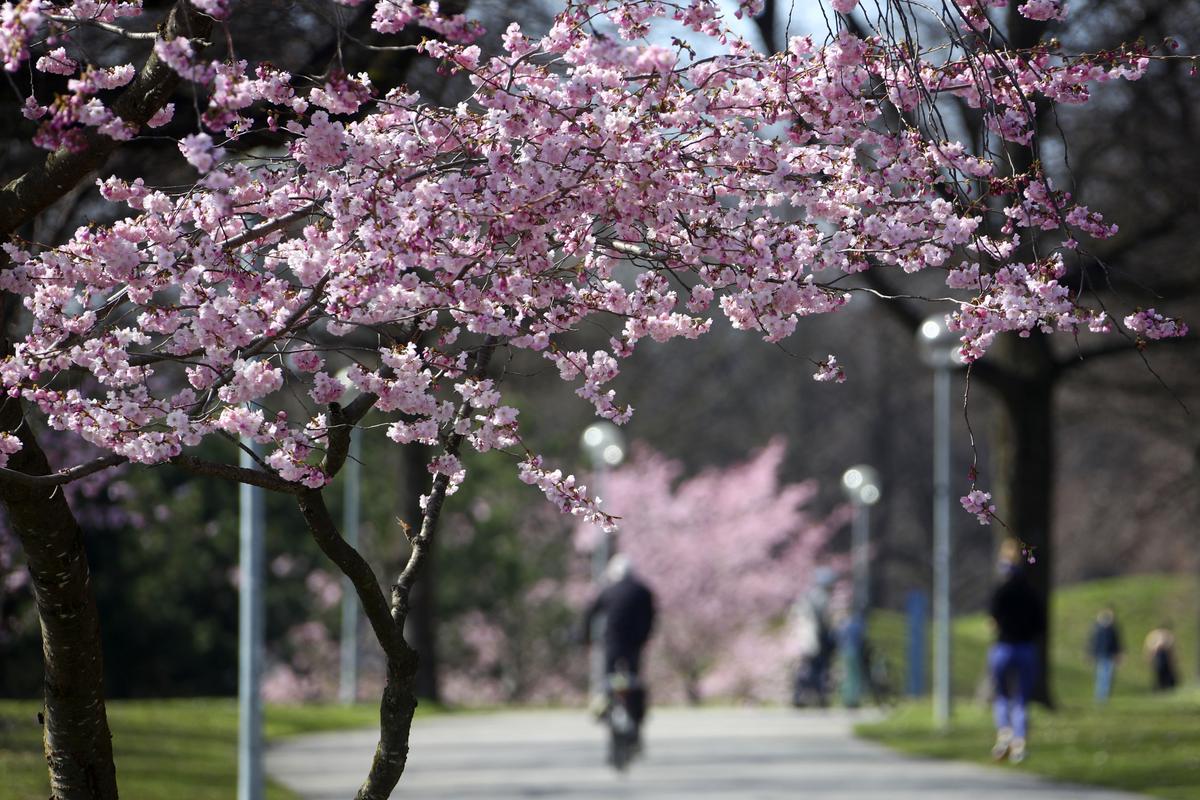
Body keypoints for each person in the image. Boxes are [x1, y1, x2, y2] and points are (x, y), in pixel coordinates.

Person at [987, 539, 1046, 764]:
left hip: (1003, 648)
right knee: (1021, 700)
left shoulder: (1000, 590)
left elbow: (993, 619)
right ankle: (1019, 742)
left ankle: (1004, 732)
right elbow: (1041, 624)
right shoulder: (1032, 592)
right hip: (1026, 648)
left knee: (1002, 695)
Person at [583, 555, 656, 725]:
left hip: (612, 642)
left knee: (606, 678)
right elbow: (652, 617)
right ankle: (638, 714)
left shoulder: (608, 591)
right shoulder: (643, 591)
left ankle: (602, 708)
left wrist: (585, 638)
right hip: (635, 644)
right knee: (634, 679)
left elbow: (589, 614)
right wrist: (645, 636)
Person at [789, 567, 837, 708]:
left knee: (806, 667)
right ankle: (819, 696)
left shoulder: (808, 596)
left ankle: (800, 696)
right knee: (818, 668)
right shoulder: (822, 597)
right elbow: (824, 621)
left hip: (806, 638)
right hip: (816, 638)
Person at [1088, 607, 1122, 704]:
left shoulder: (1113, 629)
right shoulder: (1098, 629)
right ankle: (1100, 697)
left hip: (1110, 656)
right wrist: (1091, 654)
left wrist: (1118, 654)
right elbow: (1093, 643)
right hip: (1101, 655)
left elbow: (1116, 643)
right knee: (1101, 676)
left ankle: (1105, 697)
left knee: (1108, 676)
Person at [1144, 623, 1178, 692]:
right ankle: (1159, 687)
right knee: (1159, 671)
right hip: (1158, 655)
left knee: (1167, 672)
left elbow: (1171, 649)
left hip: (1165, 655)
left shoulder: (1168, 635)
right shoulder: (1155, 635)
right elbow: (1151, 647)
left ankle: (1167, 686)